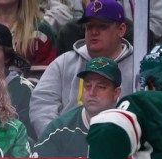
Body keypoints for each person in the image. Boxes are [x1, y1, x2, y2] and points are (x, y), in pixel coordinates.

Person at [29, 0, 133, 137]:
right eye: (89, 26)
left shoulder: (137, 66)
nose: (94, 32)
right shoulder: (64, 63)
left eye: (102, 26)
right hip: (67, 148)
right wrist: (57, 139)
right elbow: (42, 105)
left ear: (121, 30)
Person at [33, 56, 121, 158]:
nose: (92, 93)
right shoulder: (60, 128)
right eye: (87, 86)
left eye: (100, 87)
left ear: (116, 93)